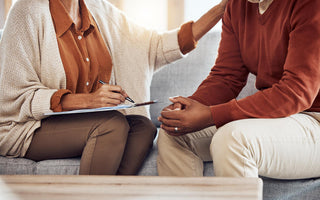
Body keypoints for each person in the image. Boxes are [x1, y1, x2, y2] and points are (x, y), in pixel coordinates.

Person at [0, 0, 228, 175]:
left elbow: (156, 47)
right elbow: (15, 94)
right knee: (111, 125)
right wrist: (89, 100)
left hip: (80, 123)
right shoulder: (26, 11)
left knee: (142, 127)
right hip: (26, 126)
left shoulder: (98, 10)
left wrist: (223, 7)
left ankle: (112, 194)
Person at [157, 0, 320, 179]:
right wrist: (189, 107)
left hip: (314, 119)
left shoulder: (310, 5)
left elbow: (296, 92)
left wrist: (211, 114)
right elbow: (226, 77)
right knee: (173, 133)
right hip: (278, 117)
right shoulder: (237, 5)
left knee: (231, 139)